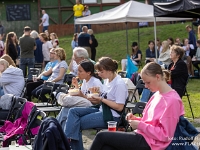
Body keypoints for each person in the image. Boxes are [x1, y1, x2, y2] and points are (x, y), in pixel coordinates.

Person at [90, 62, 185, 150]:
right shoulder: (157, 94)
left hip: (153, 143)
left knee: (101, 136)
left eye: (148, 82)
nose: (146, 86)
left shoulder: (172, 100)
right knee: (106, 147)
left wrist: (140, 125)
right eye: (145, 83)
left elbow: (166, 135)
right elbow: (151, 122)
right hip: (144, 136)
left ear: (158, 77)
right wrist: (136, 119)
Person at [64, 57, 128, 150]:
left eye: (101, 71)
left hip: (111, 116)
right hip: (102, 109)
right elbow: (105, 97)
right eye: (98, 71)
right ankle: (67, 140)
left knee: (75, 123)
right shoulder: (107, 80)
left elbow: (119, 107)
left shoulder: (119, 84)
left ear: (109, 70)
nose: (98, 74)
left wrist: (101, 99)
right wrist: (96, 94)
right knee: (73, 111)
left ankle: (68, 142)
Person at [56, 60, 103, 129]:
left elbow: (97, 101)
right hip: (84, 104)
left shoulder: (95, 82)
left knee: (67, 109)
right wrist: (76, 86)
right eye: (77, 71)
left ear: (88, 73)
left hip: (93, 107)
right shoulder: (85, 80)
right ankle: (59, 132)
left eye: (80, 71)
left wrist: (82, 95)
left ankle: (57, 130)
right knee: (65, 110)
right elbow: (82, 94)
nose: (78, 73)